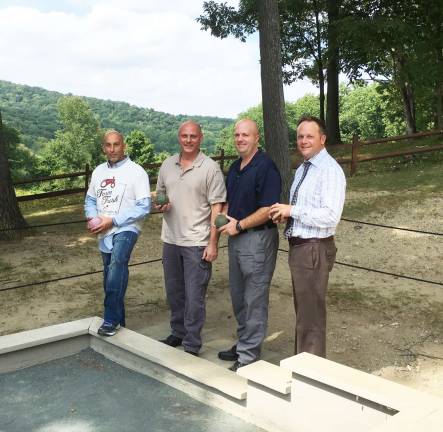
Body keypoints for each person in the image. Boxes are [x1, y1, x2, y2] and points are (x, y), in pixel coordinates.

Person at [269, 115, 346, 358]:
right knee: (304, 313)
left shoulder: (329, 171)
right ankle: (304, 368)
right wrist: (288, 216)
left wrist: (292, 210)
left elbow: (331, 216)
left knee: (310, 318)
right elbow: (307, 209)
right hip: (301, 248)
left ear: (322, 139)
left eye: (309, 136)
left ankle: (311, 375)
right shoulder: (305, 167)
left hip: (314, 249)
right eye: (300, 136)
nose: (303, 141)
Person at [156, 120, 226, 356]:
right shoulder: (167, 165)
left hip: (197, 242)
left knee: (194, 297)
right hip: (171, 240)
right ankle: (178, 332)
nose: (188, 140)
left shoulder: (210, 168)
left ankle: (192, 344)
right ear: (179, 137)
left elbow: (218, 209)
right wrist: (161, 205)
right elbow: (161, 195)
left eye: (193, 136)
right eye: (184, 136)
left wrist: (213, 242)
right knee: (174, 293)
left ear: (201, 138)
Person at [218, 119, 281, 372]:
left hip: (257, 238)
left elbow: (268, 209)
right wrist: (225, 221)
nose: (240, 139)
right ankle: (244, 342)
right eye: (237, 135)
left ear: (257, 138)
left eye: (246, 135)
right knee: (239, 297)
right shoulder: (235, 167)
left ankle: (248, 357)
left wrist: (240, 225)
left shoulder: (266, 167)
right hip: (236, 238)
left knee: (254, 298)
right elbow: (229, 203)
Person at [85, 130, 151, 337]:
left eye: (116, 144)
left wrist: (112, 221)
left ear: (124, 146)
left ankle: (110, 319)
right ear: (103, 147)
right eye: (108, 145)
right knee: (109, 274)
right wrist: (93, 219)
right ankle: (119, 322)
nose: (112, 149)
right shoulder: (98, 172)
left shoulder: (136, 171)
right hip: (103, 229)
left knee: (117, 262)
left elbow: (144, 206)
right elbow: (90, 200)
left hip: (127, 227)